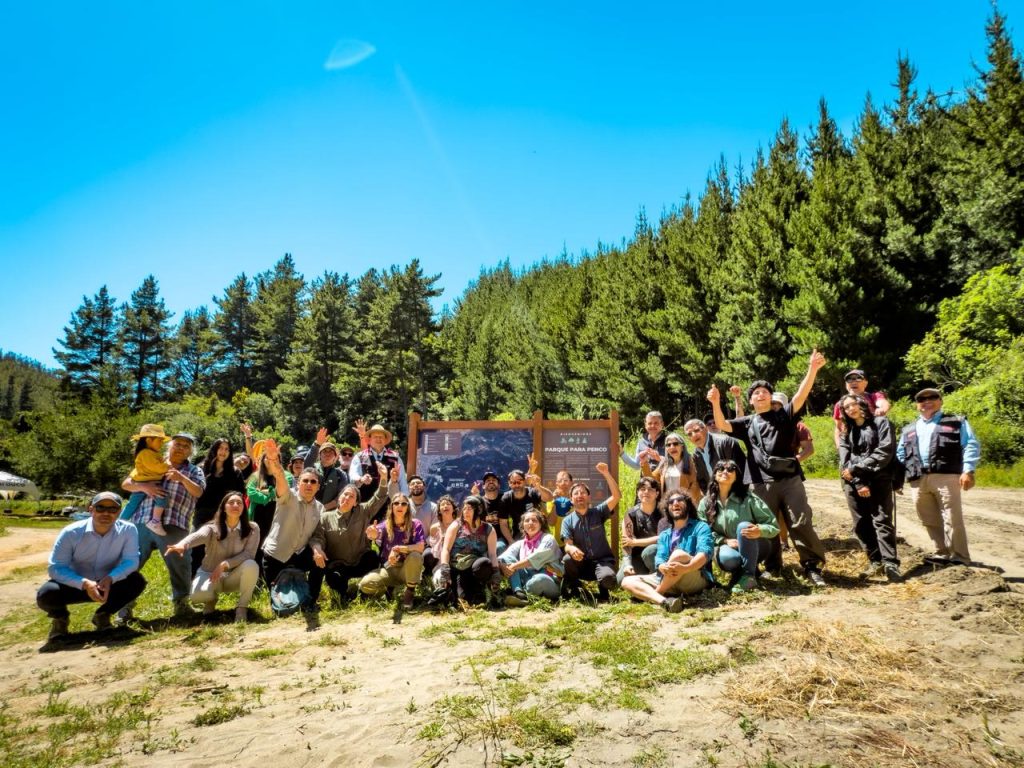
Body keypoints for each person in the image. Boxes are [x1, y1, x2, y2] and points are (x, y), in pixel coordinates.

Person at [708, 349, 829, 587]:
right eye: (756, 393)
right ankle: (773, 566)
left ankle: (812, 566)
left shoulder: (784, 415)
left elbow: (800, 395)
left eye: (765, 391)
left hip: (790, 479)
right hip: (760, 482)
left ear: (771, 397)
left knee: (800, 522)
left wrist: (812, 369)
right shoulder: (747, 422)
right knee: (767, 525)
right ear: (751, 401)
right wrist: (715, 402)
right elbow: (721, 424)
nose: (761, 394)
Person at [37, 492, 147, 640]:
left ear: (119, 512)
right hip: (75, 584)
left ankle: (103, 615)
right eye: (100, 508)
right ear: (91, 510)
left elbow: (131, 561)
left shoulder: (128, 530)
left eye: (112, 509)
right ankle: (60, 619)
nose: (106, 513)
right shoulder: (71, 532)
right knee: (46, 594)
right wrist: (84, 583)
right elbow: (56, 567)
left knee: (137, 581)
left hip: (107, 585)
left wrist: (111, 578)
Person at [120, 432, 206, 620]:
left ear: (191, 451)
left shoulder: (194, 470)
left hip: (174, 522)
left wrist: (182, 478)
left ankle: (182, 604)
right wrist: (144, 487)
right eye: (178, 444)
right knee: (131, 563)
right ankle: (123, 607)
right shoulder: (154, 460)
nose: (181, 448)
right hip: (142, 520)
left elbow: (199, 492)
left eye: (186, 446)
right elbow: (126, 483)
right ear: (170, 446)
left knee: (180, 564)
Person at [896, 387, 981, 566]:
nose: (927, 401)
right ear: (917, 405)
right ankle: (941, 553)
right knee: (928, 518)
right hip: (918, 479)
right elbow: (900, 454)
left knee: (952, 517)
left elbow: (970, 445)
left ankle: (959, 557)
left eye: (932, 397)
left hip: (946, 476)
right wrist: (897, 478)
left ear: (940, 401)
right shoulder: (909, 429)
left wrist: (968, 470)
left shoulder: (956, 421)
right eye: (922, 399)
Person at [165, 491, 260, 622]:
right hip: (211, 575)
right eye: (231, 502)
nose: (235, 505)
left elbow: (248, 554)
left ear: (244, 508)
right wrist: (183, 544)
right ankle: (211, 599)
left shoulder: (252, 528)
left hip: (234, 576)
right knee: (197, 596)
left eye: (239, 503)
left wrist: (225, 564)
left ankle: (242, 607)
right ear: (224, 508)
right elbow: (198, 536)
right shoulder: (212, 527)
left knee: (251, 565)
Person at [838, 394, 901, 581]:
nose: (851, 409)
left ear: (862, 404)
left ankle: (890, 563)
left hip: (879, 478)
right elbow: (845, 461)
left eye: (853, 404)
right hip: (853, 482)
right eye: (846, 407)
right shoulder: (845, 432)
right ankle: (875, 561)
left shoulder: (881, 423)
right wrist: (859, 482)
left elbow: (885, 451)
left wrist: (858, 469)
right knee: (861, 523)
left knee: (882, 520)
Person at [260, 440, 327, 610]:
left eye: (313, 482)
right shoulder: (287, 497)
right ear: (298, 483)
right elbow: (280, 479)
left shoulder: (320, 508)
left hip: (299, 555)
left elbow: (317, 536)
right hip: (275, 556)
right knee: (280, 607)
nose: (309, 484)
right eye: (305, 481)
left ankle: (311, 601)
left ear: (318, 487)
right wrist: (275, 462)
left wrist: (317, 549)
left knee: (321, 560)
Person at [313, 464, 393, 605]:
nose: (347, 498)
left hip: (360, 561)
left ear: (356, 502)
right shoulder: (325, 517)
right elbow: (318, 537)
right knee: (334, 579)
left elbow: (379, 497)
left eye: (352, 496)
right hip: (338, 564)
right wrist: (317, 549)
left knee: (373, 558)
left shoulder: (363, 511)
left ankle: (366, 591)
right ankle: (345, 595)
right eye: (345, 494)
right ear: (339, 497)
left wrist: (384, 478)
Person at [621, 493, 713, 613]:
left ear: (688, 505)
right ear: (667, 509)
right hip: (669, 577)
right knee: (627, 581)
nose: (675, 503)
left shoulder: (700, 527)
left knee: (678, 555)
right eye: (671, 502)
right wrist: (661, 566)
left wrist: (686, 568)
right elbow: (660, 558)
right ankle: (665, 602)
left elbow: (704, 554)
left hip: (692, 576)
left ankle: (657, 593)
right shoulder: (665, 534)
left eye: (680, 500)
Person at [698, 461, 779, 593]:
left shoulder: (748, 498)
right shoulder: (705, 503)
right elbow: (702, 532)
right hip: (727, 548)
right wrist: (724, 540)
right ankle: (744, 571)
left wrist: (760, 530)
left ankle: (748, 576)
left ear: (737, 476)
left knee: (744, 526)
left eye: (731, 469)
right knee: (729, 559)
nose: (725, 471)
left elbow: (773, 525)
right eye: (720, 468)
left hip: (756, 546)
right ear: (714, 475)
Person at [560, 462, 622, 602]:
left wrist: (606, 473)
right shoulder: (567, 520)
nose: (580, 495)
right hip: (581, 564)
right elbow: (567, 544)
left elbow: (616, 496)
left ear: (589, 497)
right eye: (576, 493)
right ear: (571, 500)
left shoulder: (598, 512)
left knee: (609, 580)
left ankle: (603, 588)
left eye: (583, 492)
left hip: (602, 562)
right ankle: (576, 587)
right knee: (568, 559)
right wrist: (571, 548)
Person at [192, 435, 248, 578]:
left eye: (227, 449)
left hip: (223, 516)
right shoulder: (202, 469)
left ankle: (216, 581)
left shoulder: (235, 472)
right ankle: (192, 581)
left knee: (219, 550)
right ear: (214, 449)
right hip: (202, 514)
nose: (223, 452)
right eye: (220, 448)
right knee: (196, 548)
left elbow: (240, 494)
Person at [361, 491, 426, 608]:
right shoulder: (385, 525)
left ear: (408, 507)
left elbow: (420, 547)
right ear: (392, 507)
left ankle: (410, 591)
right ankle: (388, 590)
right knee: (365, 584)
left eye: (404, 504)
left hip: (407, 569)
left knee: (416, 556)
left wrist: (398, 549)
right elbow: (376, 533)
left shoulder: (415, 524)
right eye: (396, 503)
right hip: (389, 569)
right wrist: (373, 534)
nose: (400, 506)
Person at [433, 495, 500, 606]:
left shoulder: (489, 529)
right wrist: (445, 570)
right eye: (464, 508)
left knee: (485, 563)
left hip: (474, 567)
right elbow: (446, 549)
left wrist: (496, 573)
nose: (465, 511)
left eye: (469, 508)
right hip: (456, 567)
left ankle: (481, 589)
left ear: (479, 510)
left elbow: (492, 554)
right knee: (460, 599)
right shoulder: (456, 525)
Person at [499, 508, 563, 606]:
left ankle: (522, 596)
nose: (530, 523)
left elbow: (535, 558)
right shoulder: (521, 543)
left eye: (534, 520)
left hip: (549, 579)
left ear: (541, 524)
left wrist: (512, 567)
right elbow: (503, 557)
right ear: (523, 526)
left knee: (540, 579)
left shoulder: (548, 539)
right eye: (527, 520)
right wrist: (502, 565)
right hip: (527, 578)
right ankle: (518, 591)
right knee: (507, 558)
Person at [120, 423, 171, 536]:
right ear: (149, 440)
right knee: (163, 496)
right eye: (159, 440)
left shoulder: (149, 453)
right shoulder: (146, 453)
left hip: (142, 482)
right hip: (144, 482)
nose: (162, 443)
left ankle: (119, 522)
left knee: (132, 504)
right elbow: (157, 468)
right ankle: (155, 521)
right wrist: (167, 465)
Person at [617, 476, 663, 585]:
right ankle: (646, 578)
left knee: (650, 551)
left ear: (657, 493)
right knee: (621, 580)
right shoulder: (630, 514)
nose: (646, 492)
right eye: (642, 489)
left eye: (650, 489)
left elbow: (664, 537)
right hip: (638, 556)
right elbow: (626, 542)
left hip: (660, 554)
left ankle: (660, 580)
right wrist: (627, 564)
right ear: (638, 492)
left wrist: (635, 542)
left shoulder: (664, 512)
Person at [684, 418, 746, 496]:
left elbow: (741, 470)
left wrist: (736, 495)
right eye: (689, 434)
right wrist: (710, 496)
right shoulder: (696, 455)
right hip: (716, 496)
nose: (694, 435)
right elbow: (702, 480)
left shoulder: (725, 442)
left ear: (705, 429)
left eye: (696, 430)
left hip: (737, 493)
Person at [832, 368, 892, 446]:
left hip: (874, 440)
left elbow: (883, 403)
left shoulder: (873, 396)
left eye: (858, 378)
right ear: (846, 384)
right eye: (849, 379)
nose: (853, 382)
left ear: (865, 383)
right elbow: (838, 428)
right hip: (852, 443)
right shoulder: (840, 404)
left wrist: (882, 409)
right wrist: (839, 447)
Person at [349, 423, 408, 501]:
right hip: (366, 503)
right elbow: (353, 475)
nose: (378, 439)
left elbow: (402, 482)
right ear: (369, 439)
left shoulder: (395, 457)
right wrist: (361, 479)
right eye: (375, 437)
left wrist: (405, 500)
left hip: (389, 503)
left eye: (381, 437)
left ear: (385, 440)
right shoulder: (360, 456)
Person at [498, 469, 554, 546]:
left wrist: (538, 486)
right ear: (509, 484)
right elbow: (503, 523)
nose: (516, 485)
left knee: (547, 546)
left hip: (539, 529)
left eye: (519, 482)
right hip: (520, 532)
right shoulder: (506, 498)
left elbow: (549, 498)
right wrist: (511, 541)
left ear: (524, 481)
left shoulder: (533, 492)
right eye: (513, 482)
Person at [647, 432, 702, 503]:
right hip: (669, 504)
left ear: (682, 447)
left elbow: (695, 486)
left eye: (675, 444)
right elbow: (651, 479)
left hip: (687, 503)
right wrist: (644, 463)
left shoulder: (692, 462)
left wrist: (685, 503)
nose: (672, 447)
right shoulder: (664, 464)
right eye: (668, 445)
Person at [304, 428, 350, 511]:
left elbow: (341, 495)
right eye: (325, 451)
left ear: (335, 457)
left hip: (328, 512)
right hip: (307, 509)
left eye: (331, 452)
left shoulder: (341, 475)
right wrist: (317, 444)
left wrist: (323, 508)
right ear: (319, 455)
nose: (327, 454)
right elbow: (305, 465)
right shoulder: (312, 468)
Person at [424, 494, 458, 576]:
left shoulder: (459, 525)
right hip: (438, 558)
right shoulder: (434, 528)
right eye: (442, 504)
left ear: (453, 509)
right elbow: (432, 546)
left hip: (456, 556)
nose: (445, 506)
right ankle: (428, 576)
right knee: (427, 554)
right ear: (439, 510)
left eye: (448, 504)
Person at [545, 469, 574, 546]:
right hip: (559, 544)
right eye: (560, 481)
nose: (563, 483)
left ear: (571, 482)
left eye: (565, 480)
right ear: (556, 484)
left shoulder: (577, 498)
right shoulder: (551, 501)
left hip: (577, 542)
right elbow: (551, 523)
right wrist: (556, 503)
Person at [408, 474, 438, 539]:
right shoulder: (404, 505)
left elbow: (435, 531)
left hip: (427, 543)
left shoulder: (434, 507)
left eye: (418, 483)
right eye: (412, 484)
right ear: (409, 488)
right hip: (405, 543)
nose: (416, 485)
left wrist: (425, 543)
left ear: (424, 486)